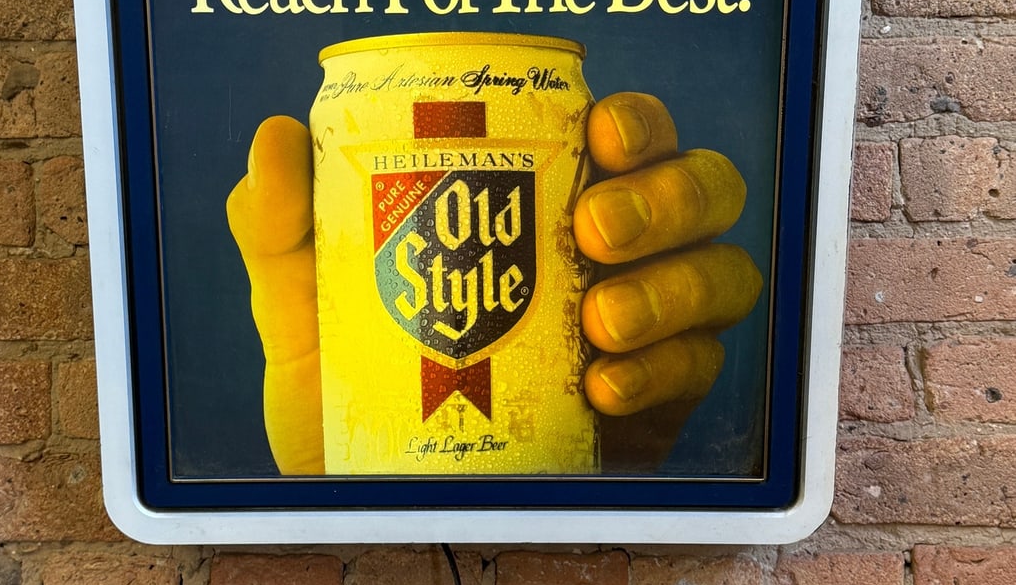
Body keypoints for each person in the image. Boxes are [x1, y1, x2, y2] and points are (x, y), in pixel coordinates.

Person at [227, 92, 762, 475]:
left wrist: (616, 473)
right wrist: (321, 490)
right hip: (357, 465)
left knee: (617, 229)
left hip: (571, 454)